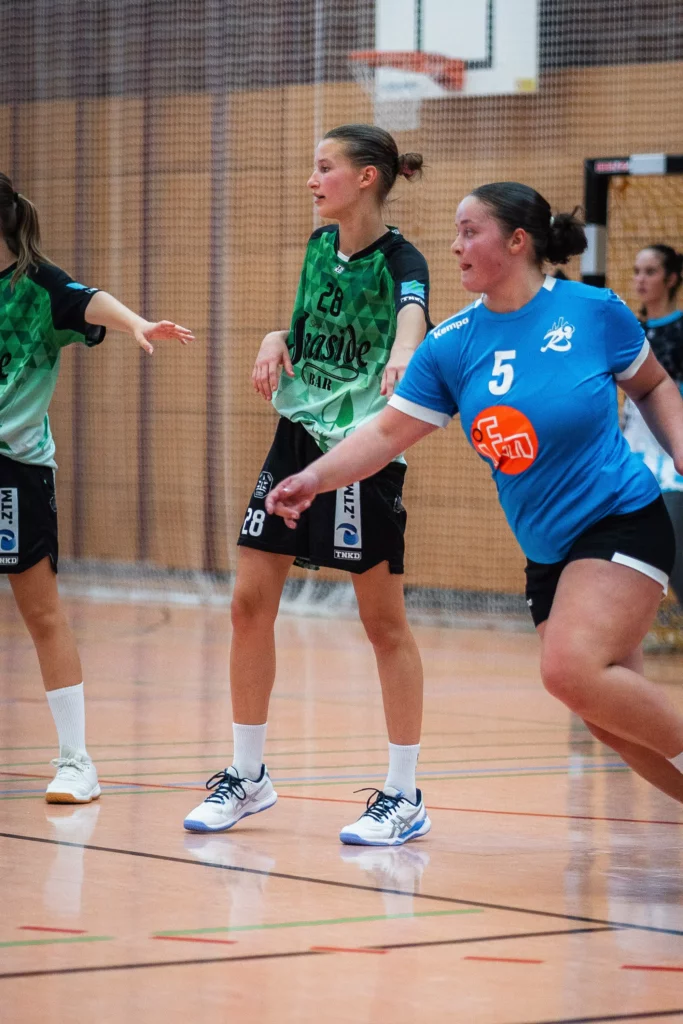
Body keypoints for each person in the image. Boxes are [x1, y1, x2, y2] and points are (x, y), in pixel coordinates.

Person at [266, 180, 683, 807]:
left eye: (470, 232)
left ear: (516, 241)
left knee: (569, 671)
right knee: (607, 717)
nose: (455, 247)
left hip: (620, 518)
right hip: (547, 553)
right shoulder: (453, 343)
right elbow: (385, 433)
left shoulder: (593, 311)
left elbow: (652, 385)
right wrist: (314, 478)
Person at [184, 123, 433, 845]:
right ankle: (248, 776)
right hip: (295, 438)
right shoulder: (320, 245)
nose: (311, 180)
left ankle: (404, 793)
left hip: (359, 450)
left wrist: (406, 352)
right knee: (247, 604)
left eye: (324, 167)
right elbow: (306, 327)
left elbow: (413, 312)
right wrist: (274, 338)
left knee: (382, 624)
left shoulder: (402, 259)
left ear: (365, 178)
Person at [0, 173, 194, 802]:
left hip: (14, 471)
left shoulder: (37, 287)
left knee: (41, 612)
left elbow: (90, 300)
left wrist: (138, 323)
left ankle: (75, 761)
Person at [622, 244, 683, 598]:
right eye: (636, 272)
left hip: (673, 460)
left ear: (671, 279)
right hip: (632, 457)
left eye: (650, 272)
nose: (640, 280)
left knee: (675, 556)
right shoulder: (630, 330)